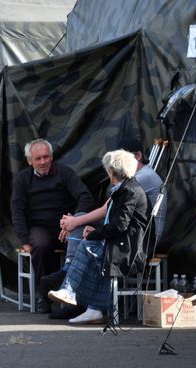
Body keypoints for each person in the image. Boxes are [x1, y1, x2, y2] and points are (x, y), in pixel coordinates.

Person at [41, 136, 164, 318]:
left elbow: (117, 223)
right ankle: (87, 302)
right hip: (127, 238)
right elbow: (116, 219)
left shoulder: (134, 186)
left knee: (90, 245)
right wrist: (91, 230)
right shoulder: (127, 187)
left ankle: (74, 290)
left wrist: (93, 233)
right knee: (88, 238)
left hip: (135, 244)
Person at [10, 138, 94, 309]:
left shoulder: (65, 173)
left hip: (66, 225)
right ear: (29, 161)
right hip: (39, 227)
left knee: (83, 242)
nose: (43, 162)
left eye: (46, 157)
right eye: (38, 159)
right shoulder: (22, 179)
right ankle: (44, 296)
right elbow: (17, 210)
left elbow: (85, 196)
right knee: (39, 245)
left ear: (52, 157)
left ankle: (75, 296)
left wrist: (72, 220)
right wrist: (24, 240)